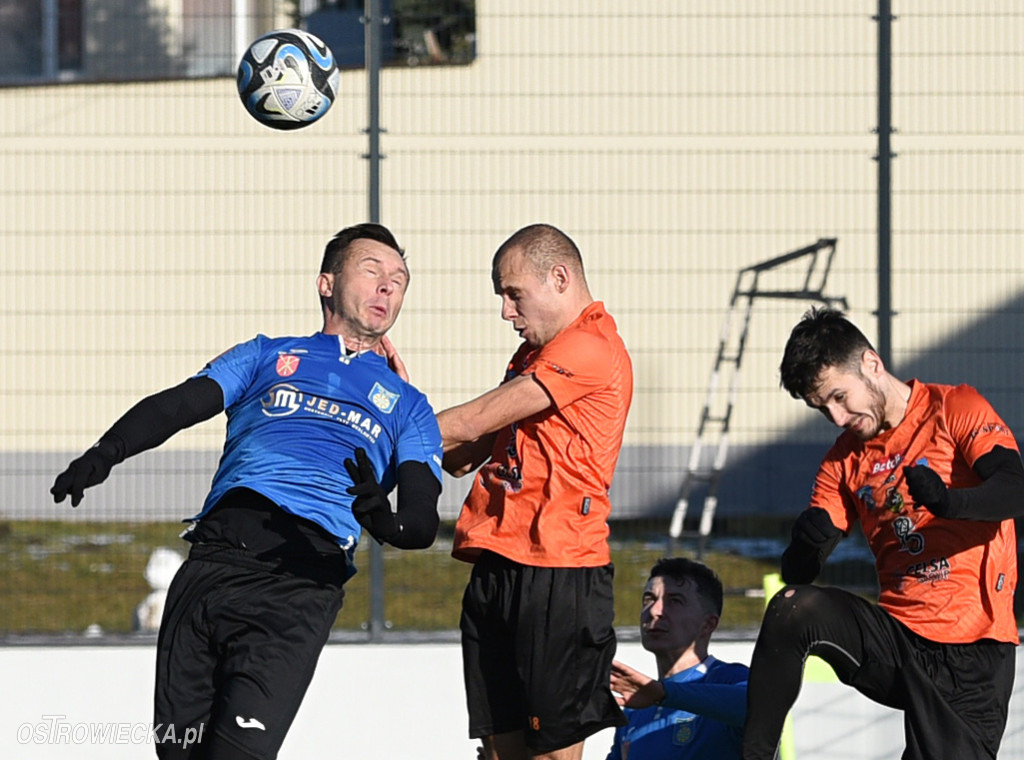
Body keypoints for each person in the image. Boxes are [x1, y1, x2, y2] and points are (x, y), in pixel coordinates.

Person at [50, 223, 444, 760]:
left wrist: (388, 522)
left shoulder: (407, 404)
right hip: (211, 564)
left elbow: (422, 517)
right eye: (372, 271)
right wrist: (106, 452)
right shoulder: (265, 355)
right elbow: (180, 405)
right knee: (177, 752)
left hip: (298, 582)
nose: (387, 287)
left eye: (399, 279)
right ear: (326, 283)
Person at [741, 307, 1023, 760]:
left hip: (972, 652)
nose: (836, 416)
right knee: (792, 608)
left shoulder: (954, 408)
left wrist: (950, 503)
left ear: (871, 364)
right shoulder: (842, 461)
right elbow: (799, 573)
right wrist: (805, 544)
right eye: (821, 408)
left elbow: (1015, 491)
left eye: (839, 396)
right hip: (897, 643)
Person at [438, 223, 634, 760]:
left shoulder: (592, 346)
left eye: (513, 293)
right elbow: (460, 455)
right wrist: (399, 398)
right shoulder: (530, 359)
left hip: (559, 570)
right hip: (498, 563)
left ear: (560, 277)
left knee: (552, 753)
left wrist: (389, 422)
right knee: (500, 751)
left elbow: (474, 418)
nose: (506, 311)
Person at [607, 557, 748, 760]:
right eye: (649, 599)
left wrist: (663, 694)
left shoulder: (730, 679)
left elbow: (757, 708)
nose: (654, 611)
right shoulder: (635, 709)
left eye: (674, 601)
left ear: (708, 624)